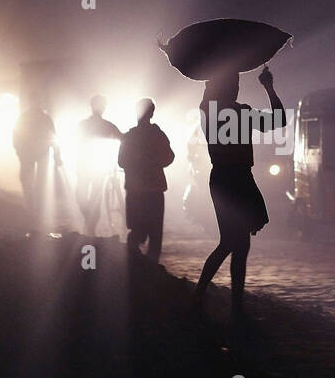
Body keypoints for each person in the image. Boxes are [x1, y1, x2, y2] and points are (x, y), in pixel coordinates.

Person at [193, 65, 287, 323]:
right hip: (240, 179)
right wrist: (268, 86)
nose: (236, 88)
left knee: (236, 243)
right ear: (230, 88)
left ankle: (218, 300)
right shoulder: (241, 113)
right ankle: (222, 302)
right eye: (234, 84)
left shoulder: (207, 112)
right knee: (235, 244)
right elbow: (278, 120)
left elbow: (205, 94)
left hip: (221, 179)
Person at [118, 98, 175, 262]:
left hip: (135, 191)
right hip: (154, 190)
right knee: (155, 234)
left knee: (137, 230)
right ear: (152, 113)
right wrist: (153, 163)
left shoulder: (130, 136)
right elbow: (169, 157)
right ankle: (151, 271)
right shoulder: (158, 135)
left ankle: (133, 266)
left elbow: (121, 161)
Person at [75, 95, 124, 235]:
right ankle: (90, 221)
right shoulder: (107, 126)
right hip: (93, 165)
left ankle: (90, 225)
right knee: (90, 197)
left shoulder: (83, 125)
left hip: (89, 165)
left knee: (83, 196)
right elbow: (122, 138)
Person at [13, 90, 62, 224]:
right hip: (40, 154)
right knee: (39, 183)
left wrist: (19, 151)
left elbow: (15, 135)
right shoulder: (45, 118)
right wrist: (57, 157)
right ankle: (38, 212)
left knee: (28, 182)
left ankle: (32, 211)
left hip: (28, 154)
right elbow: (54, 137)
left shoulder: (24, 117)